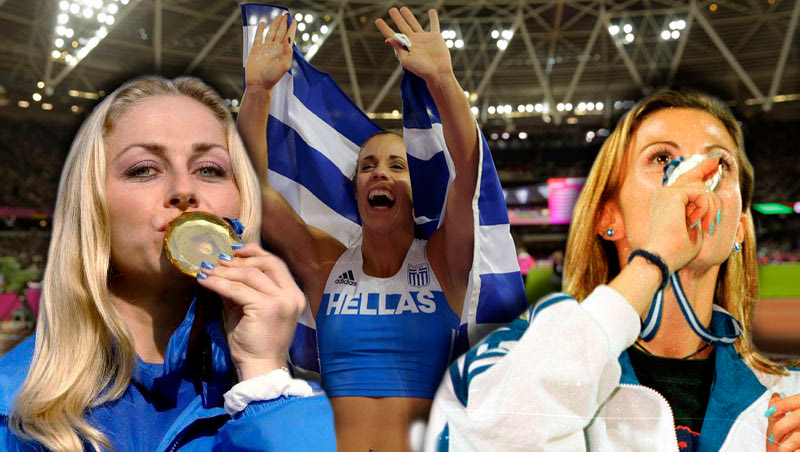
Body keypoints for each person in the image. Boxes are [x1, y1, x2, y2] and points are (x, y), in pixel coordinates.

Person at [425, 90, 800, 452]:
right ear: (609, 217)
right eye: (662, 158)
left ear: (739, 228)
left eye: (720, 163)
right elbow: (500, 437)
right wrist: (654, 259)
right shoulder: (512, 356)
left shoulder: (788, 398)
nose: (695, 178)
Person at [0, 76, 335, 451]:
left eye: (209, 169)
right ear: (92, 205)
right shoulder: (12, 409)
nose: (184, 190)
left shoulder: (282, 399)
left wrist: (264, 380)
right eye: (143, 169)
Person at [238, 8, 489, 452]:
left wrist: (443, 80)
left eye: (397, 166)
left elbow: (468, 171)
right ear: (356, 191)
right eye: (368, 166)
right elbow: (251, 190)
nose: (380, 174)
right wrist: (257, 91)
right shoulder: (325, 263)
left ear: (415, 190)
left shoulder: (443, 261)